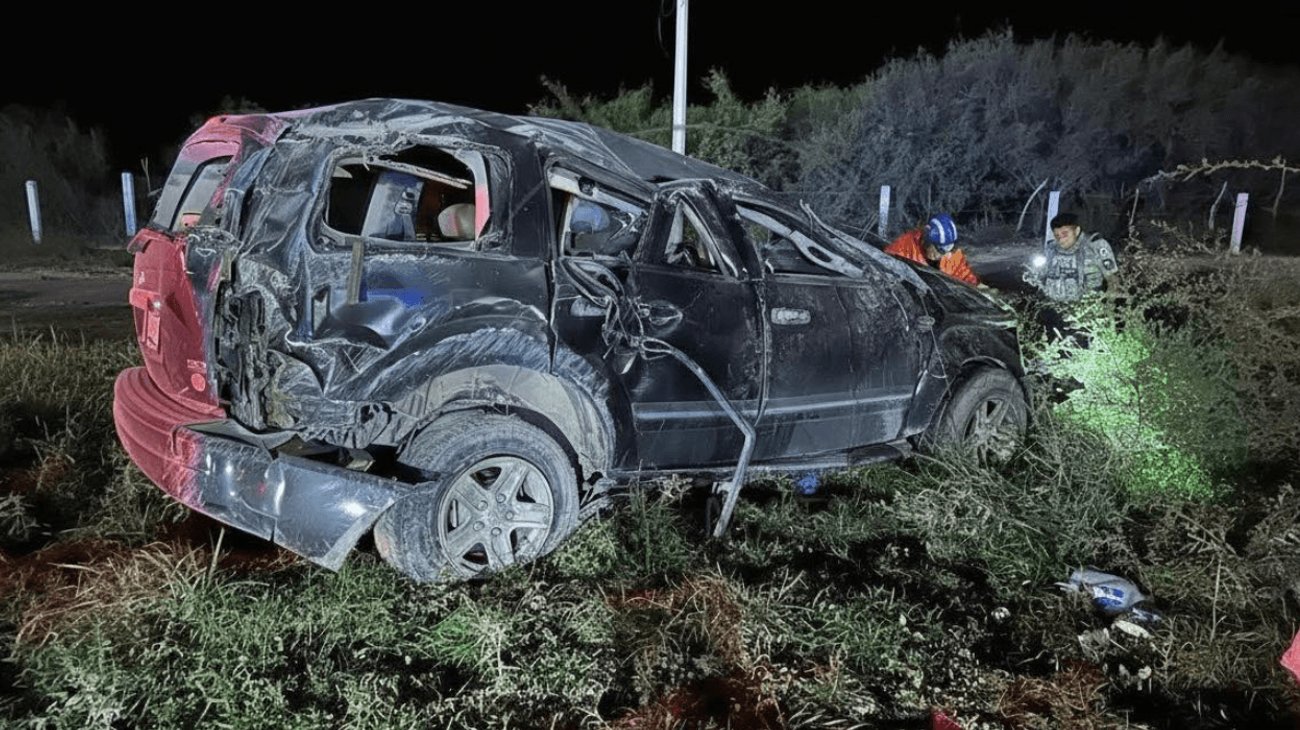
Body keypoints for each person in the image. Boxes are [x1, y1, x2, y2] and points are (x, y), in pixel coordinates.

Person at [1023, 212, 1118, 302]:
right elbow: (1041, 275)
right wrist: (1032, 276)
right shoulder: (1051, 249)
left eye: (1065, 234)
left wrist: (1109, 303)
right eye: (1057, 235)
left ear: (1076, 231)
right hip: (1053, 306)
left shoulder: (1095, 246)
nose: (1061, 239)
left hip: (1088, 307)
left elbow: (1113, 279)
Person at [884, 213, 981, 286]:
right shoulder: (903, 249)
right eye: (941, 250)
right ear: (927, 241)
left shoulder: (950, 253)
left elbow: (964, 274)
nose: (946, 255)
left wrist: (980, 288)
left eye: (950, 248)